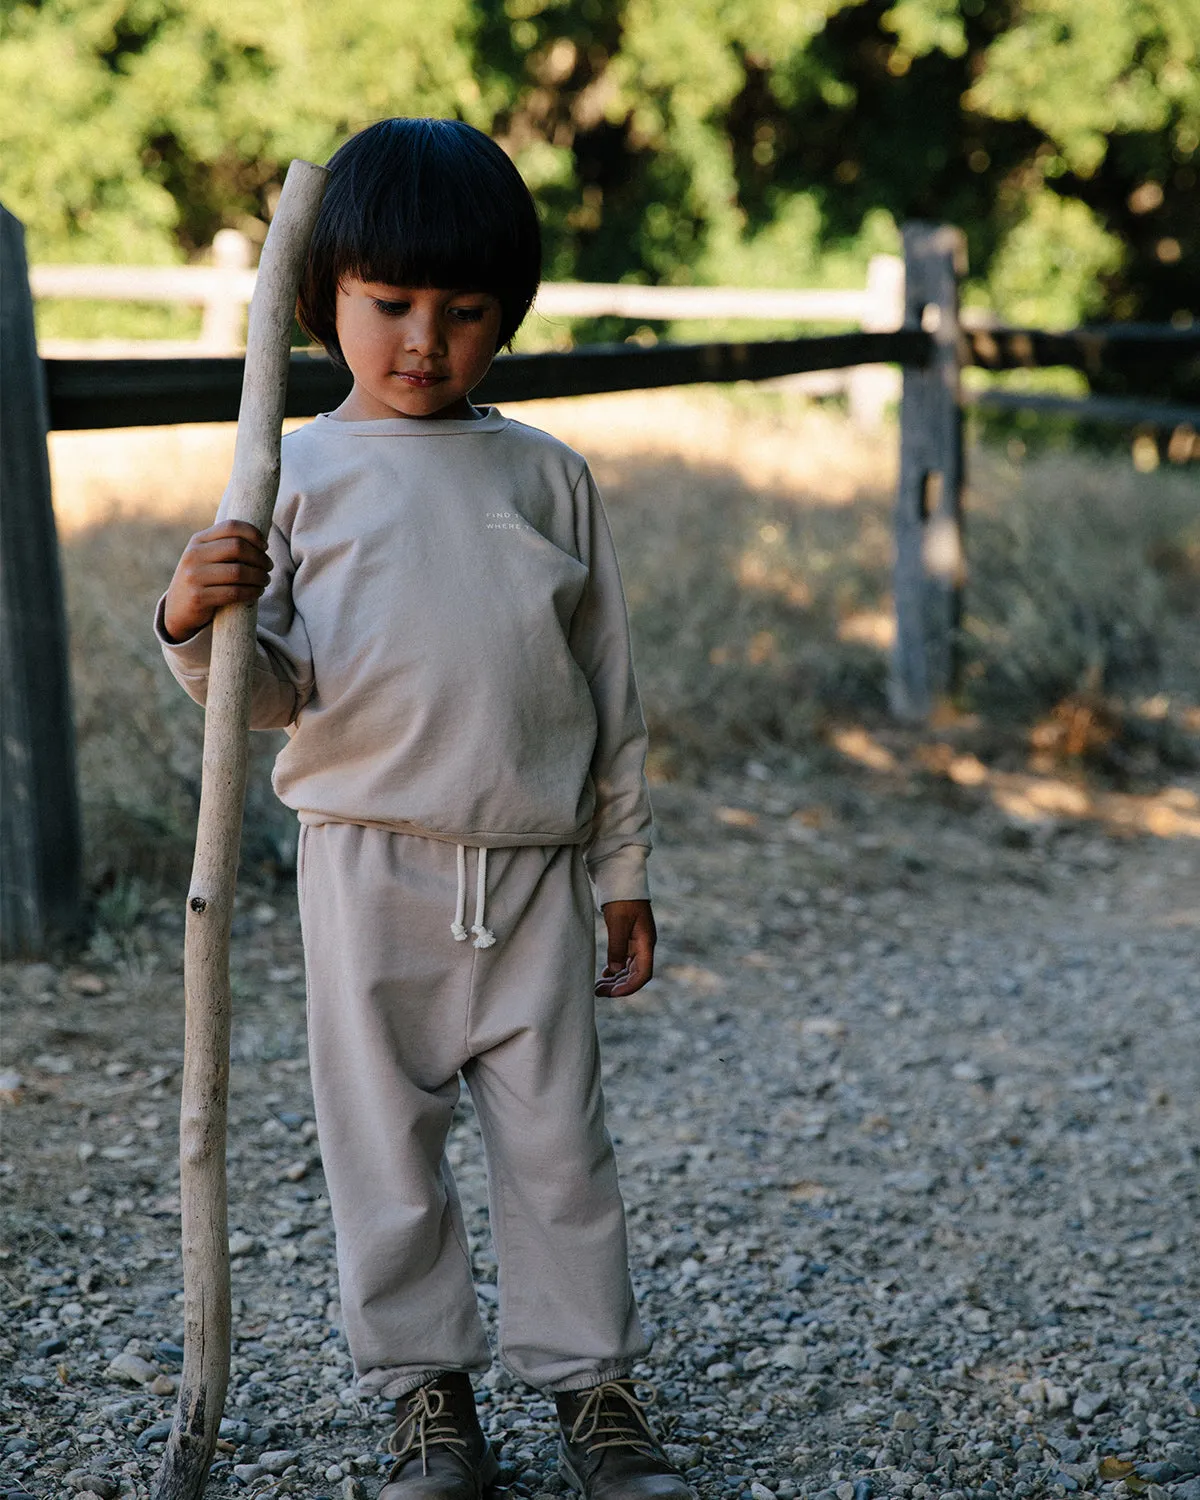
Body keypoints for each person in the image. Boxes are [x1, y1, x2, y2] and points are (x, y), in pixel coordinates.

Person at [157, 117, 693, 1500]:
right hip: (363, 868)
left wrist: (622, 864)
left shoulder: (544, 476)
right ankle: (427, 1402)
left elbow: (609, 696)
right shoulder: (295, 479)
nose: (421, 341)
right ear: (322, 293)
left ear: (506, 317)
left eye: (464, 313)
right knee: (383, 1149)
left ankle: (593, 1393)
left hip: (531, 876)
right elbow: (265, 698)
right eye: (387, 304)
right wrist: (192, 616)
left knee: (560, 1145)